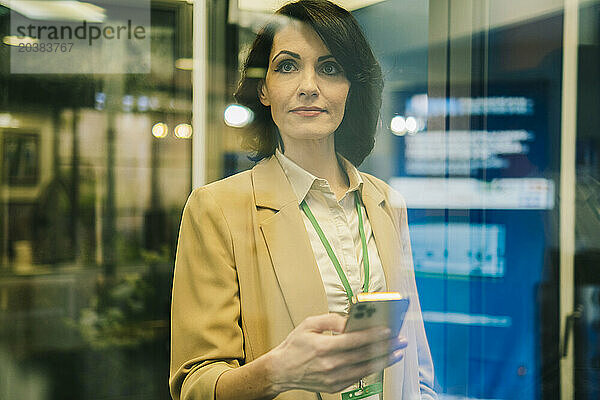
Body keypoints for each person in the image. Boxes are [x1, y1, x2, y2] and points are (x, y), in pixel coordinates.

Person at [169, 1, 436, 399]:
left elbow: (416, 363)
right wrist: (277, 372)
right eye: (288, 66)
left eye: (329, 68)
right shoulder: (217, 209)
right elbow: (195, 385)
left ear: (351, 87)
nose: (308, 86)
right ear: (264, 88)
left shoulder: (386, 202)